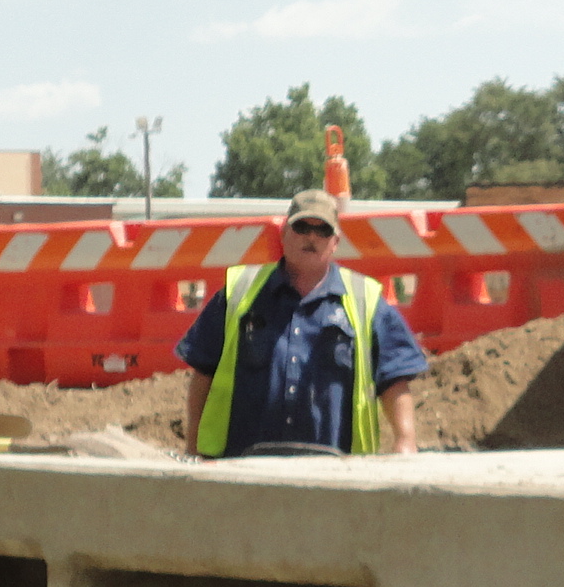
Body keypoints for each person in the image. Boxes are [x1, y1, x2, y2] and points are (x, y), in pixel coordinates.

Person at [179, 188, 426, 457]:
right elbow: (203, 375)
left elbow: (394, 381)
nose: (311, 237)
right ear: (284, 234)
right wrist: (194, 447)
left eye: (323, 231)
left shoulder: (365, 301)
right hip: (243, 473)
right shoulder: (239, 293)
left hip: (338, 475)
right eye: (302, 227)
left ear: (335, 242)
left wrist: (405, 441)